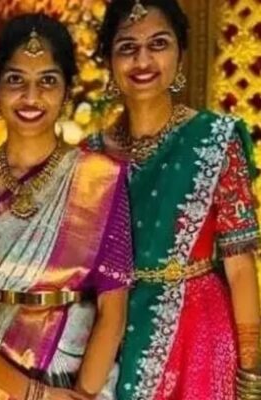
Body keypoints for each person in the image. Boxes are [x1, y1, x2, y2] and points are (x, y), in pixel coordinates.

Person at [0, 13, 134, 400]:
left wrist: (80, 396)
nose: (31, 96)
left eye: (48, 81)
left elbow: (114, 310)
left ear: (67, 92)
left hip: (84, 382)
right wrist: (36, 395)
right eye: (16, 80)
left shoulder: (100, 180)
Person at [86, 0, 261, 398]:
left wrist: (251, 376)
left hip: (200, 339)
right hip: (113, 336)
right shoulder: (91, 157)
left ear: (181, 55)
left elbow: (240, 268)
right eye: (127, 47)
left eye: (158, 44)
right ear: (109, 62)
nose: (142, 60)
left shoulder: (216, 138)